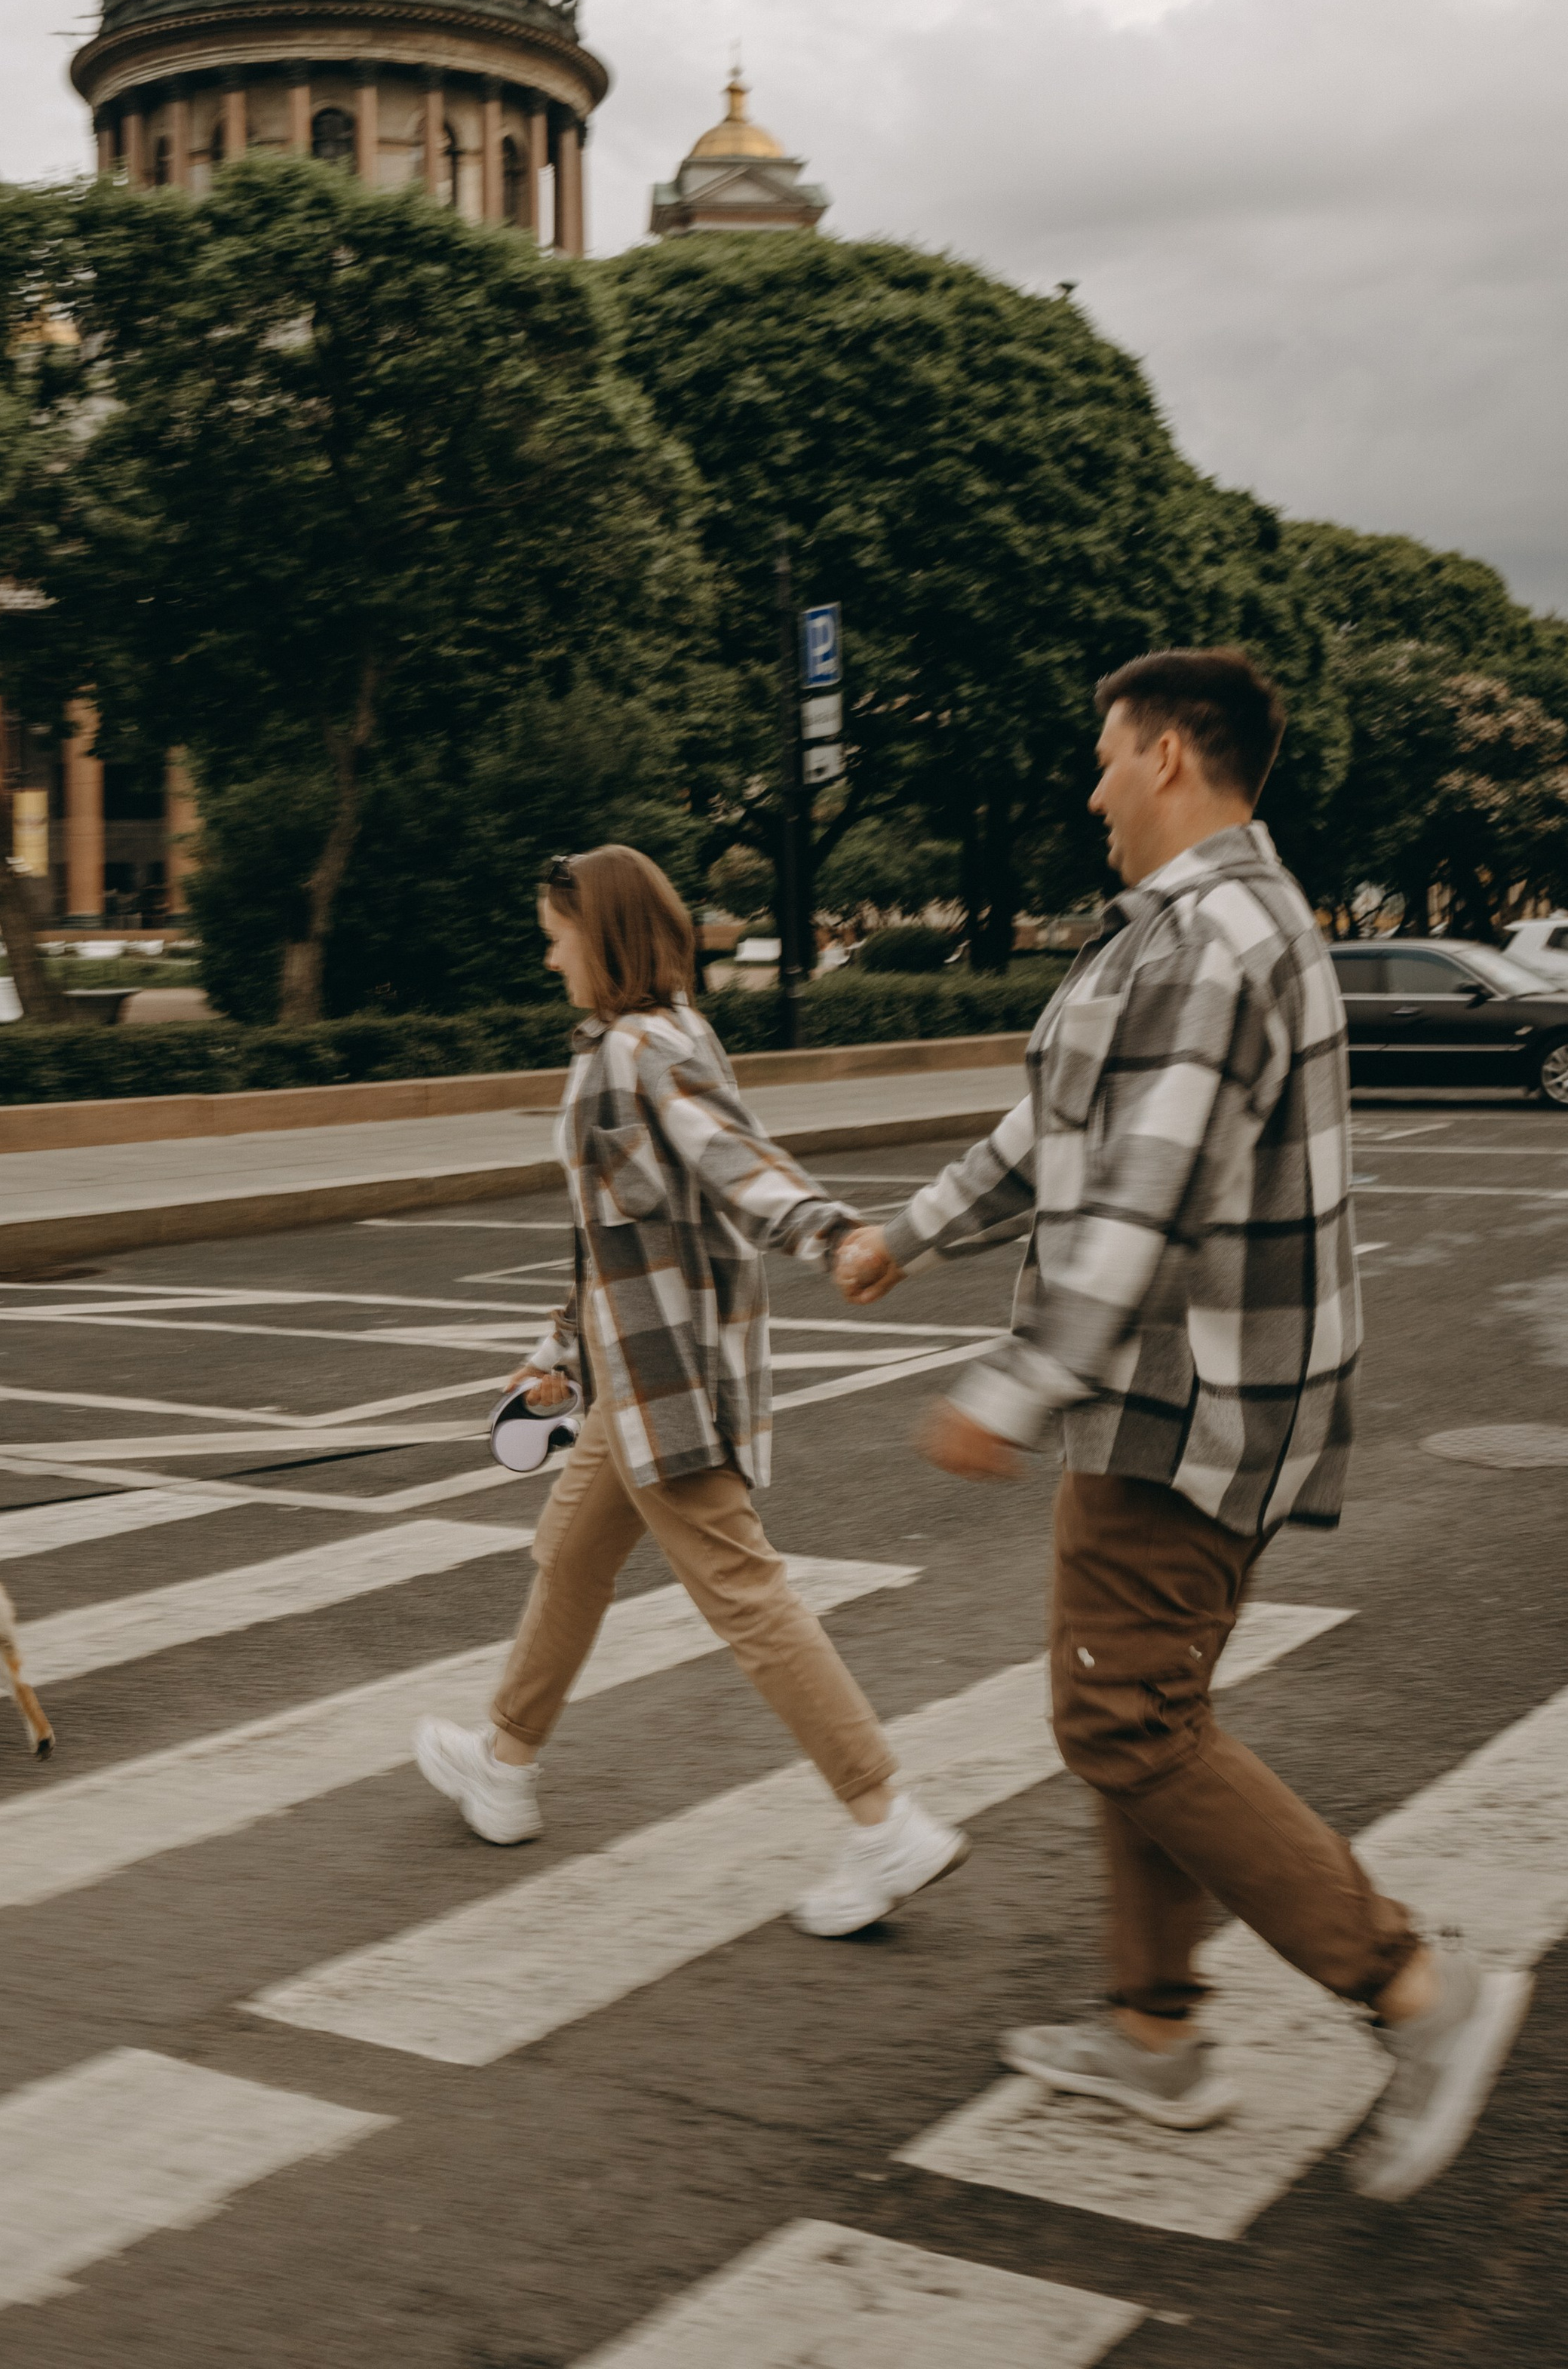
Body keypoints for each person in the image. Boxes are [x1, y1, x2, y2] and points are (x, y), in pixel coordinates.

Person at [834, 649, 1528, 2202]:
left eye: (1103, 757)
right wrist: (908, 1235)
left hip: (1181, 1395)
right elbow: (1058, 1129)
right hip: (1210, 1387)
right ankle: (1154, 2031)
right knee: (1141, 1711)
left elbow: (1141, 1194)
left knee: (1124, 1722)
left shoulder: (1209, 936)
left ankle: (1415, 1989)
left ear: (1164, 755)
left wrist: (1020, 1384)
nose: (1089, 790)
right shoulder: (1198, 925)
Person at [414, 842, 968, 1936]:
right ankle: (505, 1763)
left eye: (558, 937)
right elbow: (618, 1234)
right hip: (636, 1364)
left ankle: (883, 1818)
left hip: (665, 1377)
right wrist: (558, 1349)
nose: (548, 958)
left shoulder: (636, 1051)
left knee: (745, 1593)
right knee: (570, 1556)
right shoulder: (667, 1036)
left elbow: (735, 1163)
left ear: (603, 935)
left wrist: (834, 1233)